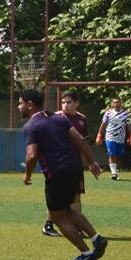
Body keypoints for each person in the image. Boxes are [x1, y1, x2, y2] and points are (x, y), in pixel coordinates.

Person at [19, 88, 107, 260]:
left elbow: (32, 156)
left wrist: (27, 174)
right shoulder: (59, 118)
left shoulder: (30, 126)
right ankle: (97, 238)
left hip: (57, 173)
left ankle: (86, 253)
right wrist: (92, 162)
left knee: (57, 217)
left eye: (20, 103)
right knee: (67, 210)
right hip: (74, 168)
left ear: (29, 105)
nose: (19, 107)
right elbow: (80, 140)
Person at [42, 90, 89, 237]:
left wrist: (83, 164)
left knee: (76, 196)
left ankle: (77, 227)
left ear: (77, 103)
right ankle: (48, 225)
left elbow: (83, 143)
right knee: (56, 196)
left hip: (74, 165)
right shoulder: (55, 118)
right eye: (63, 102)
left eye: (68, 102)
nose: (65, 105)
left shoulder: (82, 120)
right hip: (58, 165)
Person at [96, 97, 131, 180]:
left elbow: (128, 125)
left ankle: (116, 173)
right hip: (110, 137)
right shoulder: (108, 113)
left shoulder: (125, 113)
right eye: (114, 102)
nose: (115, 104)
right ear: (112, 103)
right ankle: (114, 174)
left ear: (121, 103)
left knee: (119, 156)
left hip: (121, 138)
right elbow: (103, 124)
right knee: (112, 155)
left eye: (117, 102)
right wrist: (99, 135)